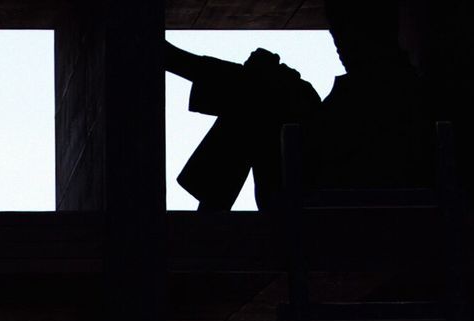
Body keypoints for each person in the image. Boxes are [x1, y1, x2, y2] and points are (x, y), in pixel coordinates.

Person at [166, 0, 436, 211]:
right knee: (265, 87)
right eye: (336, 33)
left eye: (342, 31)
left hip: (331, 211)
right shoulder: (404, 88)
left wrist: (280, 82)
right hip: (328, 202)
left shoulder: (393, 93)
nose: (339, 44)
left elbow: (340, 148)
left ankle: (174, 60)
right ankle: (175, 60)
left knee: (263, 90)